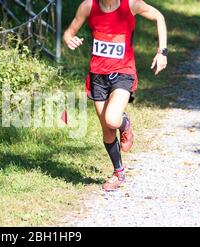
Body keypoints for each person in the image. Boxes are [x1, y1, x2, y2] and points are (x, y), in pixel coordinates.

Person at [63, 0, 168, 191]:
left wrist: (162, 52)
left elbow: (159, 17)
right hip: (97, 76)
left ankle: (124, 123)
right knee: (107, 129)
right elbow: (69, 32)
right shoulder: (88, 6)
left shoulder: (131, 5)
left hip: (123, 73)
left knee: (112, 119)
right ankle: (118, 172)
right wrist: (69, 38)